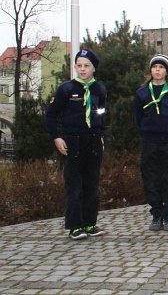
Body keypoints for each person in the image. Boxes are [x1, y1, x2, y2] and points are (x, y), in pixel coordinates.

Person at [46, 49, 107, 240]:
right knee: (74, 185)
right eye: (79, 65)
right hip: (73, 140)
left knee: (92, 184)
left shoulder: (99, 89)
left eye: (86, 66)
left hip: (93, 140)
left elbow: (101, 113)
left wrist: (101, 134)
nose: (82, 69)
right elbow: (51, 114)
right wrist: (57, 137)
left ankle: (90, 223)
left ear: (93, 68)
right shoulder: (67, 89)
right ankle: (75, 225)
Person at [134, 54, 168, 232]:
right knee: (151, 180)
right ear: (150, 70)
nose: (157, 70)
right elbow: (137, 118)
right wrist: (147, 131)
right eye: (154, 67)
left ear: (167, 71)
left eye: (161, 67)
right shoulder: (142, 93)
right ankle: (156, 214)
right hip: (150, 142)